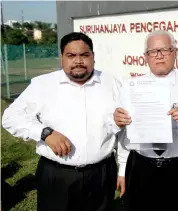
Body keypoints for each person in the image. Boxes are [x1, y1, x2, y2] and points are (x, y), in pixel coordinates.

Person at [2, 32, 124, 211]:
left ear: (93, 57)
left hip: (102, 173)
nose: (78, 61)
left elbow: (124, 128)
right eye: (71, 55)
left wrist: (123, 169)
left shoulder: (111, 83)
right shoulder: (43, 85)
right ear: (62, 58)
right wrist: (45, 133)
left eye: (84, 55)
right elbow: (10, 117)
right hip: (57, 176)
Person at [113, 30, 178, 211]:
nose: (159, 56)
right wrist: (122, 168)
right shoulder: (130, 87)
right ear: (145, 57)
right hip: (141, 166)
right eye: (153, 51)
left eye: (165, 50)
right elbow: (122, 134)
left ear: (175, 52)